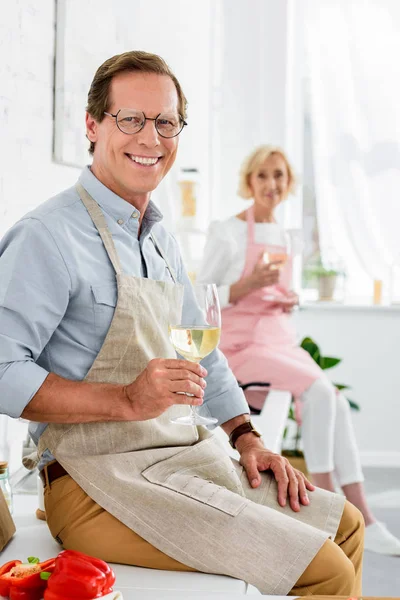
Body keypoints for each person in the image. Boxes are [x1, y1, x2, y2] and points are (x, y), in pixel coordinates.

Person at [0, 51, 364, 596]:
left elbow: (205, 354)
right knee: (326, 569)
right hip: (92, 482)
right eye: (130, 119)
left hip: (177, 457)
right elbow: (3, 370)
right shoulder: (47, 236)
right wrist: (125, 400)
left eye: (165, 122)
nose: (150, 138)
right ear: (93, 125)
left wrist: (246, 436)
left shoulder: (161, 237)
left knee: (347, 527)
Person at [197, 144, 400, 556]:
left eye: (279, 176)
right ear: (249, 181)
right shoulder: (228, 230)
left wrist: (287, 298)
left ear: (289, 183)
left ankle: (362, 513)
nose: (271, 184)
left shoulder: (288, 236)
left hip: (279, 339)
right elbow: (202, 298)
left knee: (335, 402)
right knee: (322, 392)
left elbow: (279, 294)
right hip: (241, 343)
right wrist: (251, 284)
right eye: (263, 175)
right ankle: (329, 509)